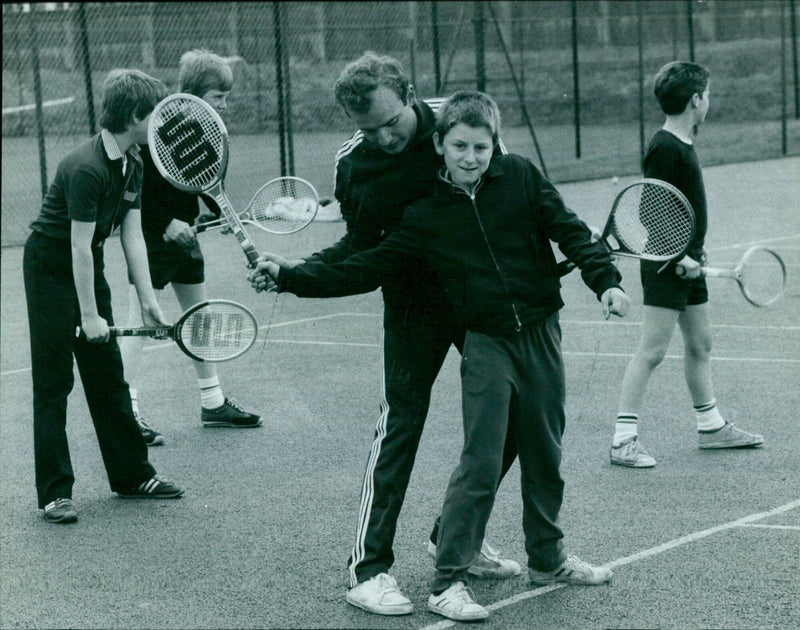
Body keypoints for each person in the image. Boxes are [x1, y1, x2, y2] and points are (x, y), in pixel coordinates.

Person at [253, 90, 629, 621]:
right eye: (460, 147)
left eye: (481, 147)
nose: (471, 156)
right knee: (456, 445)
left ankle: (540, 554)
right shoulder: (421, 211)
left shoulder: (518, 175)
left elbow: (568, 229)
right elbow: (364, 261)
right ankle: (413, 574)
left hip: (535, 331)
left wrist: (604, 280)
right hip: (469, 331)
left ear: (494, 145)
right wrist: (291, 275)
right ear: (441, 146)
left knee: (542, 448)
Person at [254, 52, 521, 616]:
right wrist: (293, 275)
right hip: (412, 309)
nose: (383, 139)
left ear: (410, 93)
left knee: (515, 415)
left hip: (478, 302)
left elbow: (507, 201)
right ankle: (367, 570)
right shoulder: (355, 163)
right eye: (367, 130)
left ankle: (455, 536)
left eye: (391, 123)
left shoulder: (459, 126)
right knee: (400, 425)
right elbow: (359, 247)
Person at [23, 69, 185, 524]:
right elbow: (76, 245)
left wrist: (150, 297)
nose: (161, 124)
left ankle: (133, 476)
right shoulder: (87, 168)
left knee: (108, 373)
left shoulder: (135, 161)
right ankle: (55, 493)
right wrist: (90, 316)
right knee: (55, 381)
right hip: (50, 267)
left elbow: (131, 233)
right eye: (155, 115)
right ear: (135, 115)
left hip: (84, 262)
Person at [609, 61, 763, 468]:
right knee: (653, 350)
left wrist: (694, 255)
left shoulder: (681, 144)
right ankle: (622, 439)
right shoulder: (664, 146)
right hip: (666, 264)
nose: (708, 101)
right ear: (696, 100)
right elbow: (651, 212)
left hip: (688, 261)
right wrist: (679, 258)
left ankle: (710, 426)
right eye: (707, 95)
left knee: (701, 343)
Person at [119, 49, 262, 447]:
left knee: (200, 318)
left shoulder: (203, 130)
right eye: (219, 96)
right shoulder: (155, 130)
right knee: (142, 322)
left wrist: (229, 213)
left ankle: (213, 403)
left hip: (186, 239)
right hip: (149, 237)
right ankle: (125, 411)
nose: (225, 105)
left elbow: (205, 181)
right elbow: (134, 195)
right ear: (195, 94)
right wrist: (165, 224)